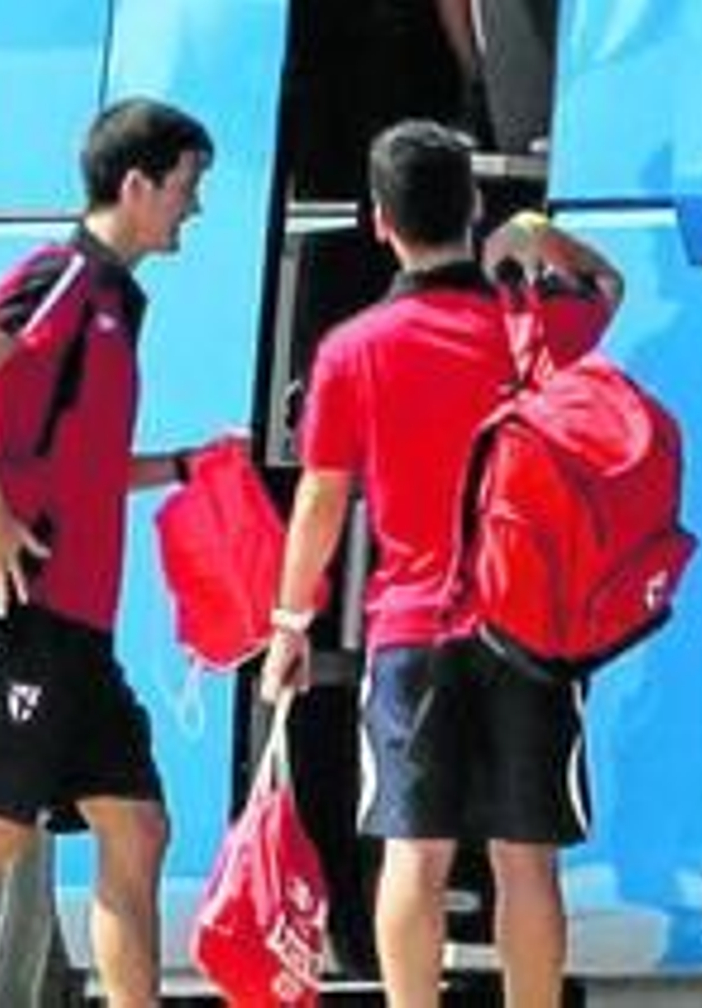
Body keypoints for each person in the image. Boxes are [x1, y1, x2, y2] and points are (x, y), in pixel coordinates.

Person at [260, 118, 623, 1008]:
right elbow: (607, 285)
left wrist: (290, 623)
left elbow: (321, 500)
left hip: (410, 630)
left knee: (414, 856)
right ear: (472, 205)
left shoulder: (351, 349)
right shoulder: (527, 329)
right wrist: (535, 233)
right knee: (526, 860)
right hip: (527, 629)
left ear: (380, 222)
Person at [0, 98, 214, 1008]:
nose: (195, 206)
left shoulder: (114, 304)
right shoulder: (61, 277)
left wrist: (185, 465)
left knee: (136, 829)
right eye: (186, 185)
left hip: (81, 628)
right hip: (28, 609)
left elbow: (81, 468)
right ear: (136, 185)